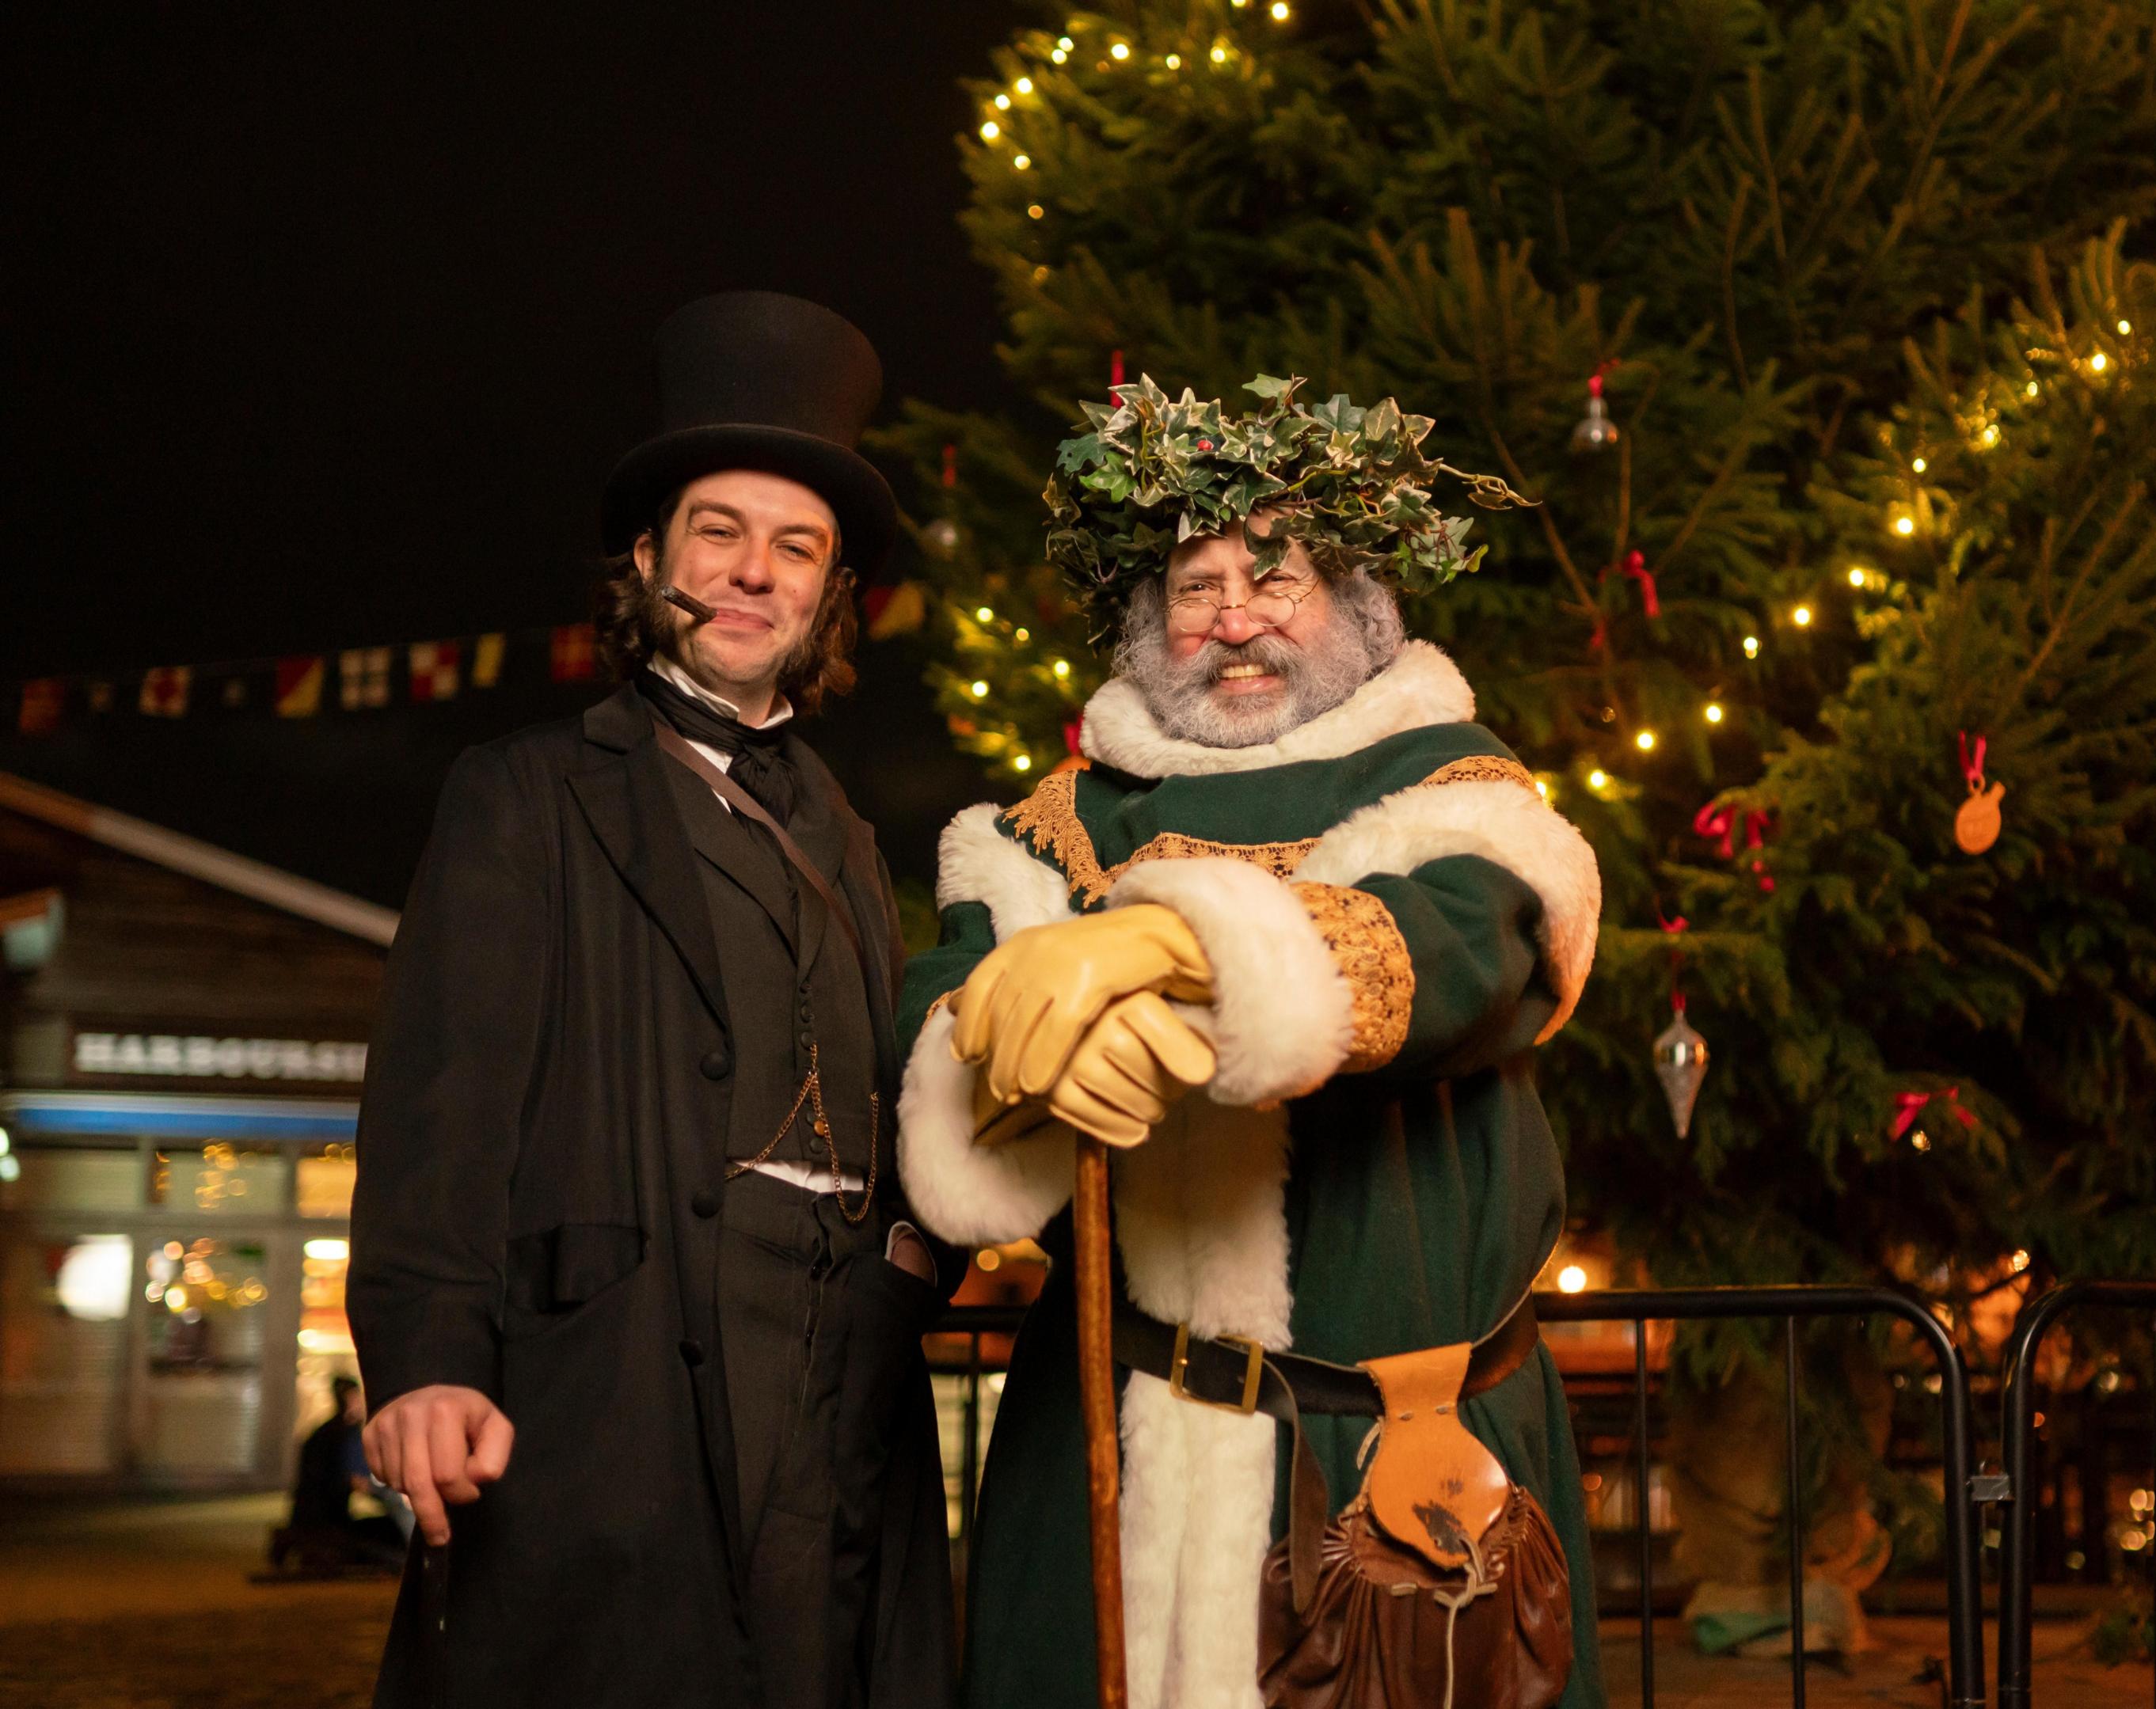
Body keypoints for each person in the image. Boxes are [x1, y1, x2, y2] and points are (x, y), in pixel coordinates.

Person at [895, 376, 1605, 1709]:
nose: (1233, 615)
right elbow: (946, 1009)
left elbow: (1463, 945)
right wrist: (1000, 1061)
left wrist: (1176, 945)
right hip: (1112, 1447)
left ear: (1360, 607)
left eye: (1276, 577)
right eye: (1194, 583)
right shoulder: (1046, 828)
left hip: (1398, 1464)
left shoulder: (1460, 787)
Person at [347, 292, 960, 1709]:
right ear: (649, 557)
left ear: (828, 594)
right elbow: (444, 1102)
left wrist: (916, 1262)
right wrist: (429, 1355)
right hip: (608, 1394)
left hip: (835, 1408)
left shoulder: (855, 835)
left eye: (794, 546)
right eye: (718, 532)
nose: (754, 571)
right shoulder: (525, 791)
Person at [280, 1377, 405, 1569]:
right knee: (389, 1536)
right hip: (330, 1521)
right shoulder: (345, 1432)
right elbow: (357, 1480)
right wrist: (386, 1494)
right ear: (349, 1398)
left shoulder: (322, 1431)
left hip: (309, 1516)